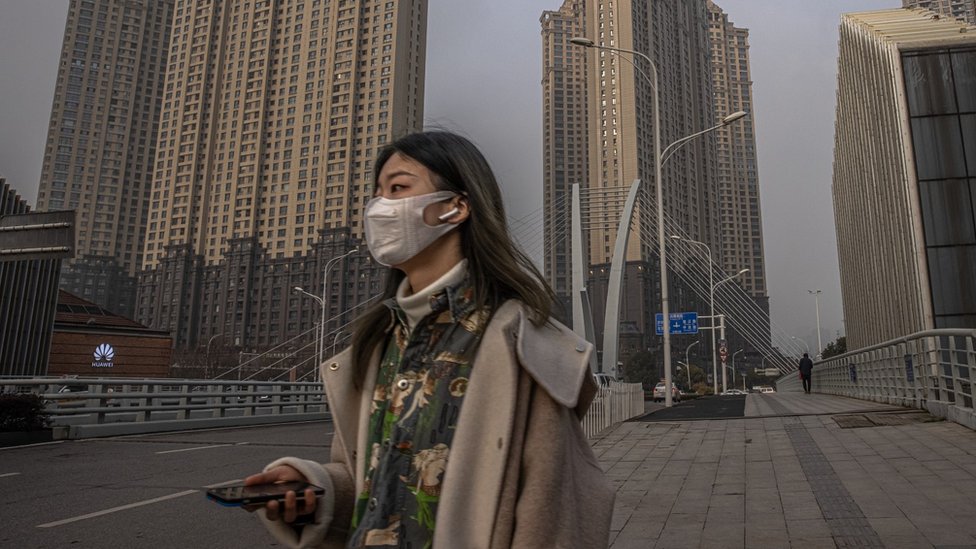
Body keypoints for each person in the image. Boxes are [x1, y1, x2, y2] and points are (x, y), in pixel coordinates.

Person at [244, 130, 615, 548]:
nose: (379, 207)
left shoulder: (519, 344)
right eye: (378, 193)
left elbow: (553, 513)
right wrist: (313, 489)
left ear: (455, 207)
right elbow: (376, 479)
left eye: (399, 188)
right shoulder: (378, 343)